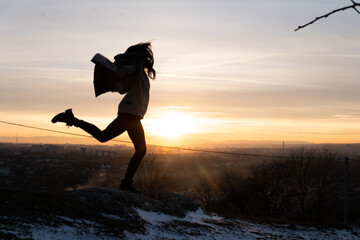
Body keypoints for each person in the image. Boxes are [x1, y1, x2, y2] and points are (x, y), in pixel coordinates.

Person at [51, 42, 156, 194]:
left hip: (131, 113)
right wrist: (123, 71)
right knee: (141, 149)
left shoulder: (140, 72)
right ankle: (126, 184)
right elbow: (125, 71)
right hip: (130, 114)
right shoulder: (136, 68)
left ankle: (71, 119)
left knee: (103, 136)